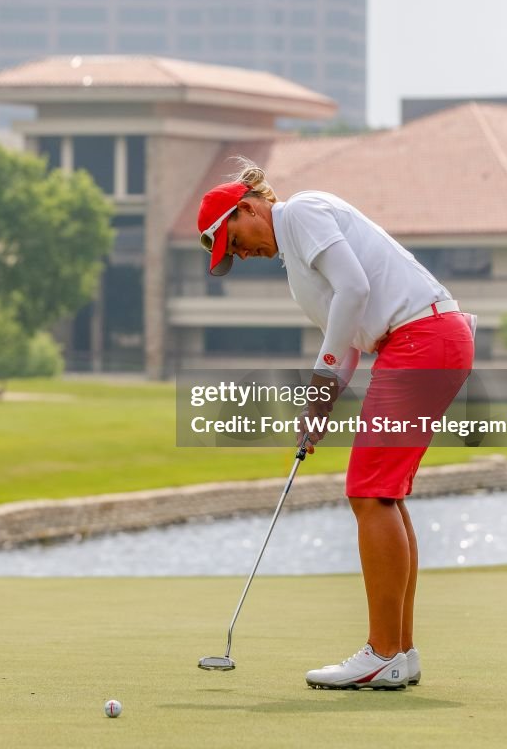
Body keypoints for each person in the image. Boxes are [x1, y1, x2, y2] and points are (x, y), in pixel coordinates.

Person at [197, 159, 475, 691]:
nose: (241, 254)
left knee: (370, 492)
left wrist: (321, 382)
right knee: (383, 493)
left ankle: (383, 652)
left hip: (423, 339)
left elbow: (356, 289)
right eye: (230, 255)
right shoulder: (298, 270)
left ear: (248, 208)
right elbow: (347, 338)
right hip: (425, 341)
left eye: (234, 241)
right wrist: (318, 403)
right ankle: (401, 652)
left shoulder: (302, 212)